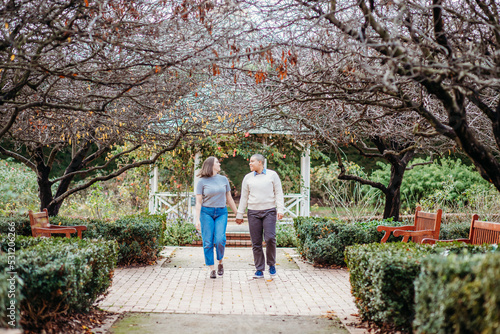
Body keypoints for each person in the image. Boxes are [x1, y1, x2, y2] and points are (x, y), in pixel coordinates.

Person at [235, 154, 285, 279]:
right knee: (256, 242)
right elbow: (244, 197)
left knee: (270, 238)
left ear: (260, 162)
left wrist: (280, 209)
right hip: (253, 212)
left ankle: (271, 264)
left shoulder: (272, 175)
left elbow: (279, 193)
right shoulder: (247, 178)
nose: (250, 163)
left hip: (269, 211)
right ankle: (259, 269)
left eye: (252, 161)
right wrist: (239, 214)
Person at [195, 156, 238, 279]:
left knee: (220, 239)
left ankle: (220, 262)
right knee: (208, 242)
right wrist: (197, 219)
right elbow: (198, 202)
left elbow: (229, 198)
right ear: (211, 165)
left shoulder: (224, 179)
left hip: (221, 213)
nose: (219, 164)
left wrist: (236, 213)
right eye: (217, 162)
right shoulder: (202, 181)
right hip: (206, 213)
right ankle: (212, 268)